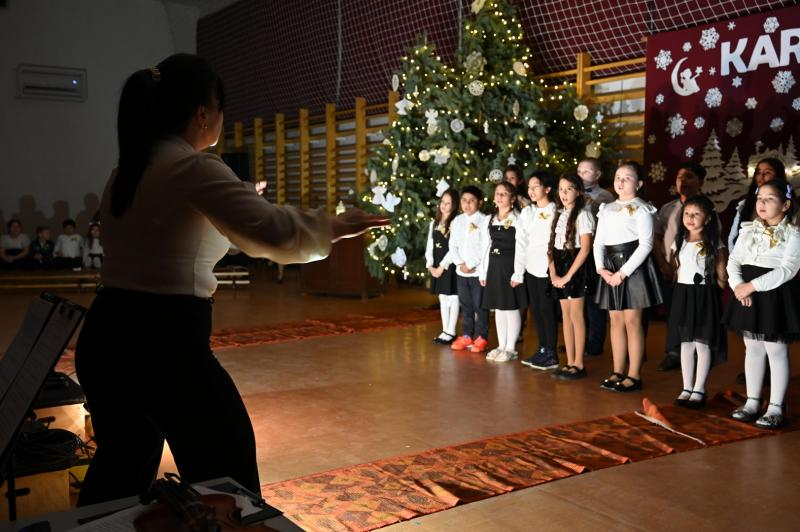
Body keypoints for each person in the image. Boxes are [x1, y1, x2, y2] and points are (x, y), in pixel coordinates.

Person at [74, 54, 388, 506]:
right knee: (228, 479)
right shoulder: (194, 167)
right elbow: (273, 232)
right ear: (204, 113)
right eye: (222, 109)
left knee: (120, 474)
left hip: (107, 337)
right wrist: (337, 225)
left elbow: (182, 239)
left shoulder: (127, 171)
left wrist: (239, 204)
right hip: (163, 345)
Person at [723, 179, 800, 429]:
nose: (762, 203)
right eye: (759, 198)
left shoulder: (794, 234)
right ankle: (752, 401)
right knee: (753, 348)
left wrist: (752, 286)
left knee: (775, 350)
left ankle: (776, 407)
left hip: (773, 294)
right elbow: (734, 260)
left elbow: (788, 269)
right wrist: (738, 285)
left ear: (785, 205)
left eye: (770, 199)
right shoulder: (748, 230)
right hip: (747, 293)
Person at [593, 161, 663, 392]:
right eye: (618, 177)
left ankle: (634, 374)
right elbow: (598, 242)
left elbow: (646, 245)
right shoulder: (607, 208)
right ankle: (617, 370)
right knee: (615, 321)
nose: (621, 182)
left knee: (632, 322)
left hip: (633, 268)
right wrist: (600, 268)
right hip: (610, 267)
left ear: (639, 184)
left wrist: (623, 273)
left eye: (627, 178)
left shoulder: (642, 208)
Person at [667, 195, 728, 408]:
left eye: (696, 214)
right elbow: (674, 269)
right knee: (686, 343)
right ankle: (686, 387)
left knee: (702, 344)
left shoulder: (714, 243)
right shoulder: (679, 241)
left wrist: (715, 291)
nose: (690, 218)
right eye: (687, 213)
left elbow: (722, 274)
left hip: (704, 296)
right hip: (683, 296)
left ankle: (699, 388)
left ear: (708, 218)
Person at [653, 161, 707, 371]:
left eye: (689, 177)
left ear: (700, 181)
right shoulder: (668, 209)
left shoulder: (706, 208)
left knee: (693, 314)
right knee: (673, 313)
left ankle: (696, 353)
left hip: (694, 274)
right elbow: (657, 239)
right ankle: (674, 353)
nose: (683, 181)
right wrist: (663, 264)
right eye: (679, 177)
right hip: (669, 270)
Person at [548, 174, 595, 380]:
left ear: (578, 191)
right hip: (559, 265)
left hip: (575, 267)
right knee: (565, 316)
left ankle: (579, 363)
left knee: (576, 315)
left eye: (569, 189)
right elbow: (550, 247)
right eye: (561, 189)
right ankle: (569, 361)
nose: (564, 193)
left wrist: (567, 276)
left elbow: (585, 248)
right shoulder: (558, 214)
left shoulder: (583, 215)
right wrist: (553, 272)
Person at [514, 171, 559, 370]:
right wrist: (519, 270)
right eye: (529, 187)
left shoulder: (556, 210)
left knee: (547, 310)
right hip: (531, 268)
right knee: (537, 310)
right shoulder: (527, 212)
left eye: (536, 186)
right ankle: (542, 349)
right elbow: (521, 242)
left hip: (548, 268)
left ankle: (551, 353)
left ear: (547, 189)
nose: (531, 191)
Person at [479, 182, 527, 362]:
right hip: (494, 268)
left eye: (504, 194)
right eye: (497, 193)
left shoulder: (518, 218)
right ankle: (501, 345)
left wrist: (518, 272)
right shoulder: (489, 219)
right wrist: (483, 272)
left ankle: (511, 348)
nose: (499, 197)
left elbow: (522, 247)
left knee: (510, 306)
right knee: (499, 307)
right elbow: (485, 247)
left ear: (512, 198)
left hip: (510, 268)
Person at [577, 157, 613, 358]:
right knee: (578, 298)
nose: (581, 175)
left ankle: (595, 341)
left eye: (586, 171)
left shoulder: (604, 196)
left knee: (593, 300)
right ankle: (580, 339)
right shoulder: (573, 192)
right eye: (579, 171)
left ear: (597, 174)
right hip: (576, 249)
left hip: (594, 251)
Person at [449, 185, 490, 353]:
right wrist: (460, 263)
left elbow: (484, 246)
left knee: (480, 305)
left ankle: (482, 337)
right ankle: (467, 335)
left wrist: (471, 264)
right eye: (464, 200)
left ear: (479, 203)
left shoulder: (484, 220)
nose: (467, 204)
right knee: (466, 305)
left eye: (472, 201)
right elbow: (452, 245)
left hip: (477, 272)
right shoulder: (457, 221)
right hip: (461, 272)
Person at [425, 189, 460, 344]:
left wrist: (442, 266)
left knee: (452, 297)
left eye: (449, 203)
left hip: (449, 265)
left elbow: (454, 248)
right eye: (443, 203)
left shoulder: (456, 223)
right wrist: (430, 265)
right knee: (443, 298)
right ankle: (445, 330)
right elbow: (429, 246)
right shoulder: (434, 223)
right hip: (436, 265)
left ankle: (451, 331)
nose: (445, 206)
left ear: (454, 205)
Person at [728, 158, 785, 249]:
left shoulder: (788, 204)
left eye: (767, 172)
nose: (761, 176)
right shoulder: (745, 204)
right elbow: (733, 238)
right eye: (758, 172)